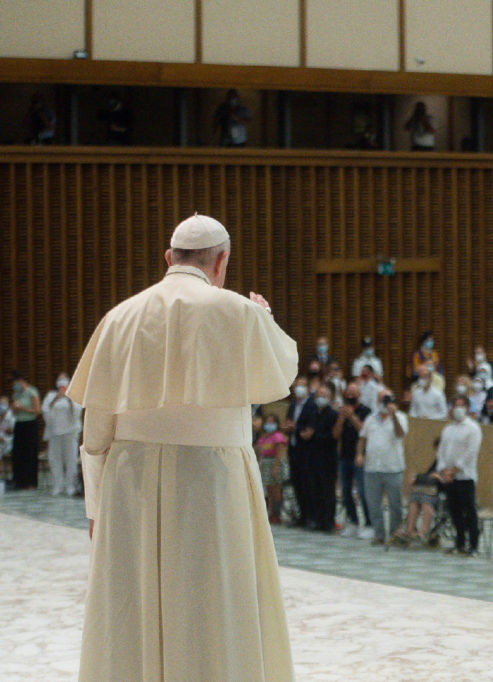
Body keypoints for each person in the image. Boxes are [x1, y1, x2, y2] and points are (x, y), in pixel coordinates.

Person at [66, 214, 297, 679]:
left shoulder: (119, 317)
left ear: (169, 258)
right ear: (222, 261)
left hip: (129, 488)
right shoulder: (242, 312)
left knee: (134, 612)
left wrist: (95, 509)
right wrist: (264, 319)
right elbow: (280, 371)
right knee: (215, 612)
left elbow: (95, 434)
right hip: (214, 484)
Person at [357, 390, 408, 545]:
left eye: (386, 400)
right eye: (381, 400)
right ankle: (378, 534)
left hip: (393, 468)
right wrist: (359, 453)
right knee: (373, 504)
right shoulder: (370, 419)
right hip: (372, 467)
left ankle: (394, 534)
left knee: (395, 504)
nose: (384, 403)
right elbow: (362, 438)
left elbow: (400, 434)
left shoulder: (400, 417)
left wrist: (393, 416)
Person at [434, 395, 482, 555]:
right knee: (454, 511)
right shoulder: (448, 429)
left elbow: (471, 452)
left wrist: (454, 470)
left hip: (465, 476)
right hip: (448, 478)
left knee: (469, 512)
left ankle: (473, 545)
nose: (458, 409)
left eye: (461, 405)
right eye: (455, 405)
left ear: (468, 408)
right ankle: (460, 543)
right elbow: (441, 452)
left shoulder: (473, 428)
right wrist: (443, 470)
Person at [333, 383, 373, 538]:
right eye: (348, 393)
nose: (350, 396)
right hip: (344, 456)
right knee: (345, 491)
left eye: (353, 393)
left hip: (360, 457)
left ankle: (369, 523)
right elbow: (335, 435)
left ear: (359, 394)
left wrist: (352, 416)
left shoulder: (366, 411)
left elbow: (364, 431)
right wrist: (341, 419)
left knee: (363, 492)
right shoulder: (341, 412)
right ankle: (353, 521)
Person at [42, 373, 83, 496]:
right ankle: (58, 485)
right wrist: (56, 399)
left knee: (70, 459)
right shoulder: (50, 395)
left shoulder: (74, 395)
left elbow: (77, 412)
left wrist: (69, 399)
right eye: (60, 379)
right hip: (55, 433)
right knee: (55, 459)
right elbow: (45, 410)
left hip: (70, 433)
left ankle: (70, 486)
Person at [284, 378, 316, 528]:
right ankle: (302, 516)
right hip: (294, 449)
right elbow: (287, 424)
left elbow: (309, 429)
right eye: (297, 386)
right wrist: (287, 427)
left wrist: (295, 427)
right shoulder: (292, 406)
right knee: (296, 484)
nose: (298, 388)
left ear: (308, 389)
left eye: (302, 386)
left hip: (307, 451)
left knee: (307, 485)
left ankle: (311, 516)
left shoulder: (311, 406)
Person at [308, 385, 339, 532]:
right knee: (316, 490)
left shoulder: (332, 414)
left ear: (329, 398)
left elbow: (332, 436)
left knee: (328, 491)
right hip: (314, 456)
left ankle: (328, 521)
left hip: (328, 458)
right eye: (319, 395)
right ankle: (318, 519)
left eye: (324, 395)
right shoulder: (313, 413)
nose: (321, 398)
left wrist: (314, 435)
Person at [9, 371, 41, 490]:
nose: (14, 384)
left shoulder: (32, 391)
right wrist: (14, 409)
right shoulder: (16, 394)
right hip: (19, 424)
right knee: (18, 453)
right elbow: (14, 412)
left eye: (15, 381)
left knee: (29, 454)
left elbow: (37, 410)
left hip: (30, 424)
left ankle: (31, 482)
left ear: (21, 380)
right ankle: (19, 481)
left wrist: (23, 408)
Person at [256, 414, 288, 524]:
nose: (269, 425)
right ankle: (269, 513)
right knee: (269, 490)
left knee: (276, 490)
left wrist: (276, 467)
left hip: (274, 462)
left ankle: (277, 513)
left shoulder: (277, 436)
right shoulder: (264, 438)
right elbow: (261, 454)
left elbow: (279, 453)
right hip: (265, 463)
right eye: (267, 422)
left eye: (272, 422)